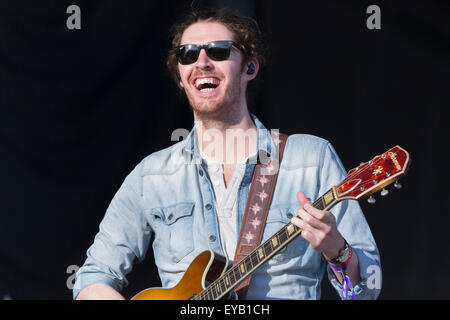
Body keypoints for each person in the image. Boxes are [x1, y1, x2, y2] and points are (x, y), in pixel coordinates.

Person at [73, 8, 381, 300]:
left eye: (219, 51)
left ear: (250, 67)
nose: (202, 61)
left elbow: (368, 289)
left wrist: (337, 250)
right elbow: (92, 278)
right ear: (181, 79)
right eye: (188, 54)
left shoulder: (310, 158)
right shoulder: (151, 175)